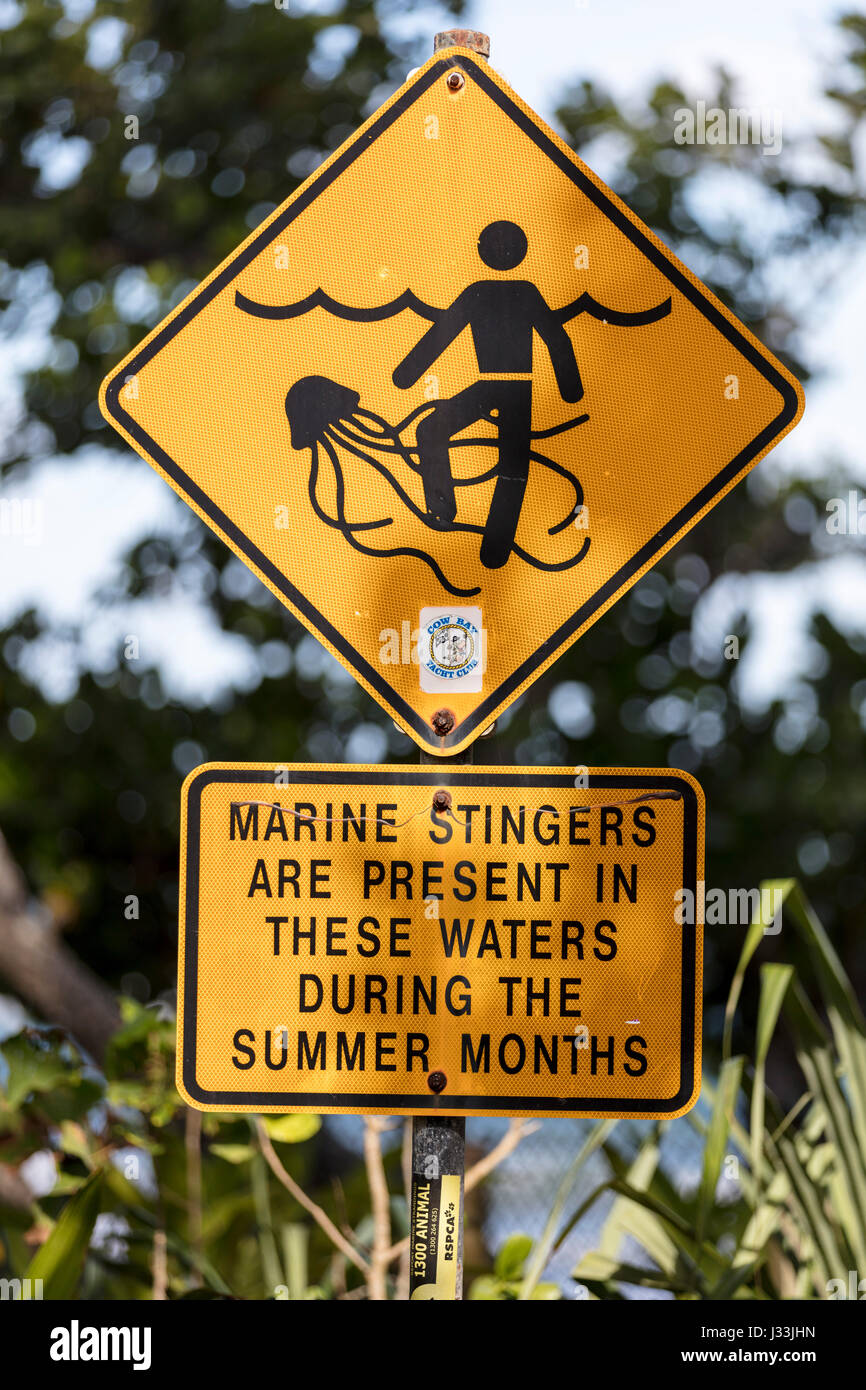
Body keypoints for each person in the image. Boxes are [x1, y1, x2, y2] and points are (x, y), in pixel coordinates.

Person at [392, 220, 584, 569]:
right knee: (431, 430)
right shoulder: (478, 292)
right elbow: (442, 335)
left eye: (505, 245)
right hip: (493, 385)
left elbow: (557, 339)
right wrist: (405, 375)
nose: (499, 251)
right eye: (493, 245)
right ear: (483, 249)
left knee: (513, 469)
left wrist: (571, 390)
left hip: (518, 388)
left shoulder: (523, 292)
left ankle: (495, 549)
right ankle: (443, 509)